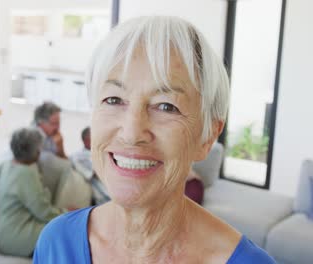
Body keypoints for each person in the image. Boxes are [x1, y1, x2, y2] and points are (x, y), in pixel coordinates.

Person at [34, 16, 276, 263]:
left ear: (207, 137)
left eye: (166, 106)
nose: (131, 133)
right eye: (114, 99)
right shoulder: (57, 242)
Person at [0, 127, 65, 257]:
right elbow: (44, 212)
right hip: (15, 237)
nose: (40, 152)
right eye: (39, 148)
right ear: (34, 152)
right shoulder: (26, 174)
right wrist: (67, 213)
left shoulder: (7, 165)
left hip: (4, 234)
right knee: (62, 230)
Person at [70, 127, 111, 205]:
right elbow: (93, 174)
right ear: (85, 140)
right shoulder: (78, 156)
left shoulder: (102, 152)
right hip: (101, 194)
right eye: (94, 138)